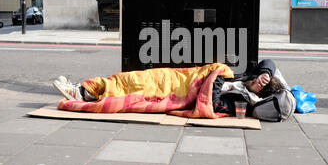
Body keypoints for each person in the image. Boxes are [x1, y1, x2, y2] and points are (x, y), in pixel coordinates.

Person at [52, 59, 289, 115]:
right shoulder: (250, 74)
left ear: (261, 94)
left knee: (135, 87)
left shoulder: (243, 100)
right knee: (131, 77)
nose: (259, 82)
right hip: (181, 77)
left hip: (180, 91)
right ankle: (87, 88)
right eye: (262, 78)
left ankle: (80, 93)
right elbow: (269, 62)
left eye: (262, 86)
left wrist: (216, 79)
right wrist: (267, 72)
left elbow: (214, 103)